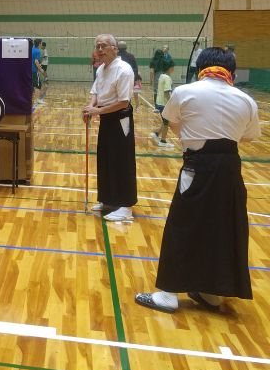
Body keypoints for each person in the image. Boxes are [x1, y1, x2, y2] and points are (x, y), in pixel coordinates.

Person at [135, 47, 261, 315]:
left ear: (201, 66)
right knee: (222, 228)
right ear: (232, 71)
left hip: (198, 166)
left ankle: (168, 293)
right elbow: (249, 136)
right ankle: (212, 294)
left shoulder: (185, 92)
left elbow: (171, 120)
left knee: (182, 224)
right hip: (230, 169)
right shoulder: (246, 100)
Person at [82, 34, 137, 223]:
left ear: (115, 48)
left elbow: (123, 102)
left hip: (120, 120)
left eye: (103, 46)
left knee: (122, 161)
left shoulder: (124, 70)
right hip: (105, 117)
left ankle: (126, 206)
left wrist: (96, 111)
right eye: (97, 46)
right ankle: (108, 200)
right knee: (106, 159)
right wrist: (90, 109)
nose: (99, 49)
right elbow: (95, 92)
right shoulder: (101, 69)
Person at [151, 63, 175, 149]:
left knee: (165, 121)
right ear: (169, 68)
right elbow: (166, 92)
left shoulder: (161, 76)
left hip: (159, 103)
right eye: (172, 67)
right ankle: (163, 141)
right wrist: (171, 103)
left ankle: (156, 133)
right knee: (166, 123)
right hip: (164, 104)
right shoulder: (167, 78)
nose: (173, 69)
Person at [116, 40, 140, 109]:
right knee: (128, 93)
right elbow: (135, 68)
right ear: (126, 47)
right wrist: (135, 79)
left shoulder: (115, 56)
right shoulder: (131, 56)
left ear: (117, 47)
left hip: (117, 78)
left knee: (118, 94)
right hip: (129, 78)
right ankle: (127, 106)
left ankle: (118, 107)